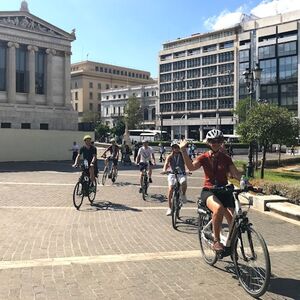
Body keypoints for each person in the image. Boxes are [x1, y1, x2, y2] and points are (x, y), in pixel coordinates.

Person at [179, 129, 241, 252]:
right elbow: (191, 167)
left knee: (233, 216)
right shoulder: (204, 157)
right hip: (209, 191)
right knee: (218, 209)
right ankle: (216, 241)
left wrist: (250, 185)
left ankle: (232, 242)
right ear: (208, 142)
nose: (215, 143)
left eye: (218, 141)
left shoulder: (226, 158)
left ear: (222, 142)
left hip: (224, 190)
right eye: (212, 141)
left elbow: (236, 175)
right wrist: (183, 150)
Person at [162, 141, 188, 216]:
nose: (176, 149)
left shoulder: (183, 155)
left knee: (184, 183)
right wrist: (164, 170)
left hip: (181, 173)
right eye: (174, 147)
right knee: (170, 189)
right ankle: (169, 208)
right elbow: (166, 163)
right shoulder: (169, 156)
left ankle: (183, 194)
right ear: (172, 148)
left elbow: (187, 163)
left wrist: (188, 170)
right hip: (172, 174)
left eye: (177, 147)